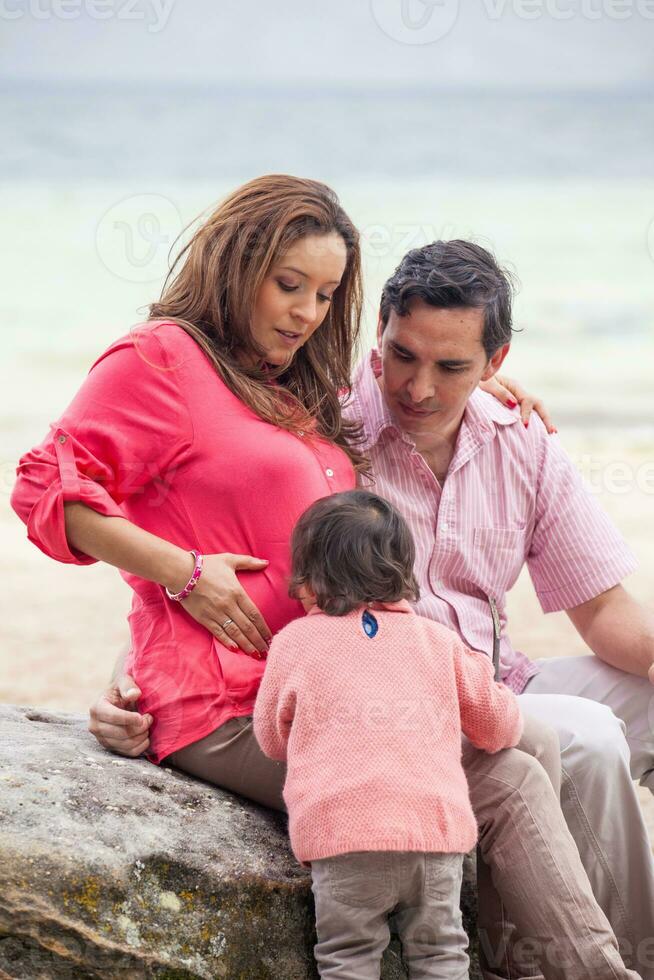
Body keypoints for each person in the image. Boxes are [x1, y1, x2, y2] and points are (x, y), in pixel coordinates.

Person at [11, 177, 639, 979]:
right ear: (236, 264)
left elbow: (397, 395)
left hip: (314, 683)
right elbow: (45, 487)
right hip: (232, 704)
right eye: (288, 284)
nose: (307, 311)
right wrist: (183, 573)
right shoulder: (160, 359)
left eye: (326, 292)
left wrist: (473, 384)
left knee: (526, 750)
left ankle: (525, 961)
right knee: (514, 770)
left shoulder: (286, 388)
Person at [339, 239, 654, 977]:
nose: (416, 388)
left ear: (496, 362)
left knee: (641, 697)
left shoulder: (523, 443)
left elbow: (605, 610)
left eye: (451, 368)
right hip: (414, 709)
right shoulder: (329, 432)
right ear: (379, 331)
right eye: (402, 355)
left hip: (500, 679)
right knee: (591, 736)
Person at [253, 488, 520, 980]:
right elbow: (496, 727)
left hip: (343, 838)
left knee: (347, 957)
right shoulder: (438, 641)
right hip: (432, 833)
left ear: (308, 578)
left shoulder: (293, 644)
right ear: (404, 571)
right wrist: (493, 683)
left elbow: (271, 740)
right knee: (442, 954)